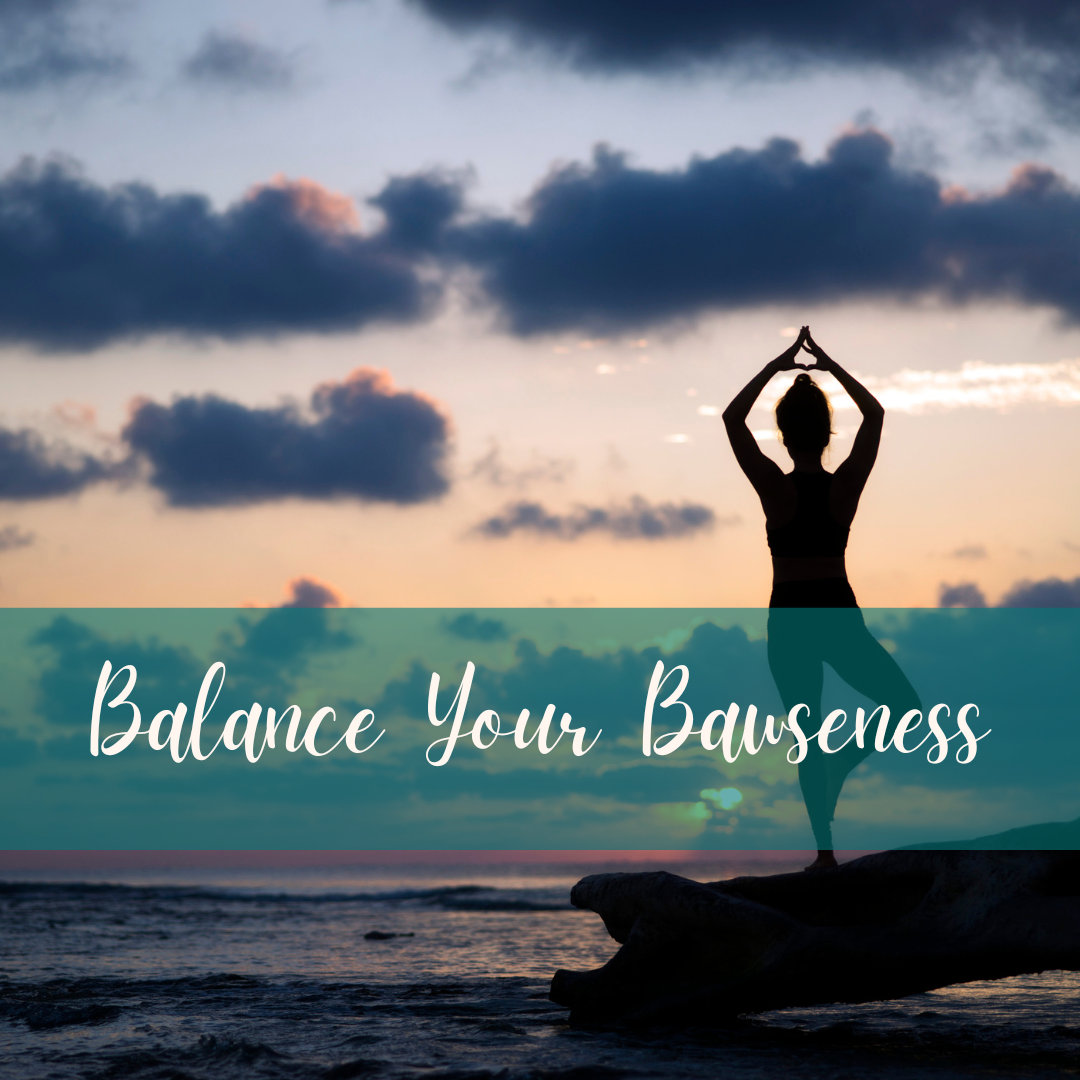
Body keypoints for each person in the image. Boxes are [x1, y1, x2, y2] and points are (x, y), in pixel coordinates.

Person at [723, 326, 920, 870]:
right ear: (829, 433)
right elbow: (875, 416)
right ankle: (841, 771)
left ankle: (825, 856)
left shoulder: (776, 489)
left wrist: (777, 366)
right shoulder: (842, 488)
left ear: (783, 435)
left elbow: (731, 421)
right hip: (835, 611)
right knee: (905, 710)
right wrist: (829, 365)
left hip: (789, 619)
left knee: (809, 738)